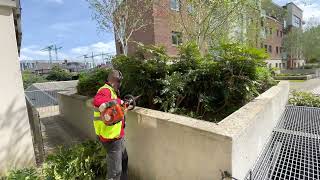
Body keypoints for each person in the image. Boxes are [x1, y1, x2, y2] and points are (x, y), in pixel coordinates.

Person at [92, 69, 128, 180]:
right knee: (115, 171)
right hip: (111, 138)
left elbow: (115, 107)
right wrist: (118, 101)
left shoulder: (112, 92)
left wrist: (123, 104)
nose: (120, 85)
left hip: (117, 135)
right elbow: (97, 101)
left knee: (124, 159)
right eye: (119, 82)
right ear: (114, 81)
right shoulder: (105, 90)